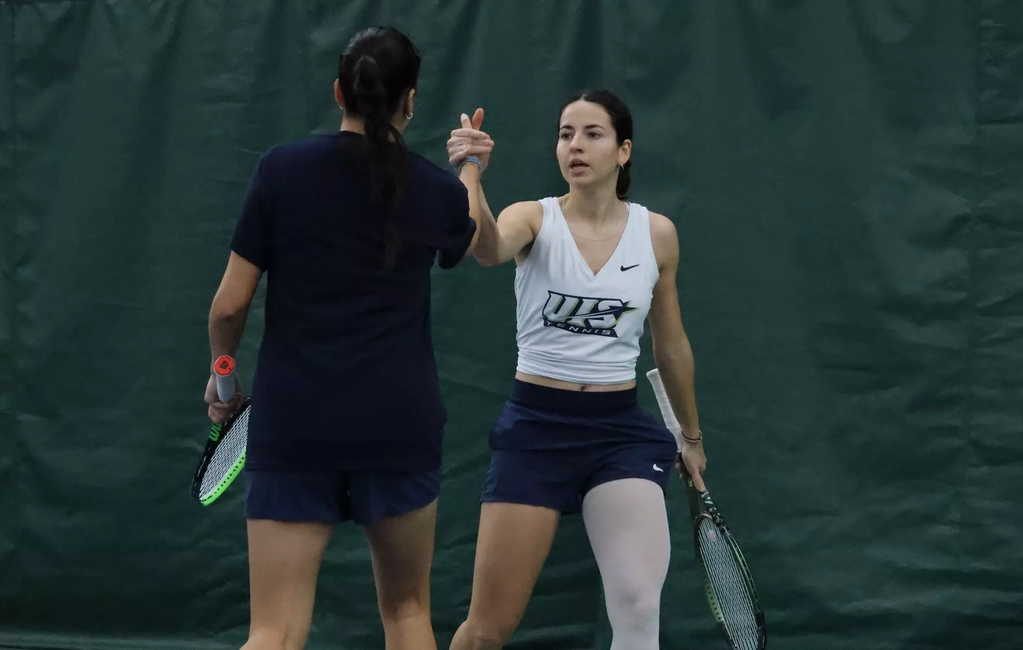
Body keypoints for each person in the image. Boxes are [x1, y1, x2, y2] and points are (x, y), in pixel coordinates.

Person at [203, 26, 487, 650]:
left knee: (272, 632)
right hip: (398, 424)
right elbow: (466, 237)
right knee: (409, 614)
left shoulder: (280, 169)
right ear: (410, 102)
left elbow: (229, 308)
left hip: (295, 423)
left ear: (339, 92)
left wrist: (224, 378)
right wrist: (467, 167)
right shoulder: (436, 190)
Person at [445, 90, 707, 650]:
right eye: (566, 134)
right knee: (487, 630)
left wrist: (690, 435)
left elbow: (672, 344)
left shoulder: (656, 234)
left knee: (638, 604)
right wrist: (471, 172)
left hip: (620, 435)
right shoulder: (531, 219)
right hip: (536, 430)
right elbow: (485, 248)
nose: (576, 146)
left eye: (593, 134)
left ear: (624, 150)